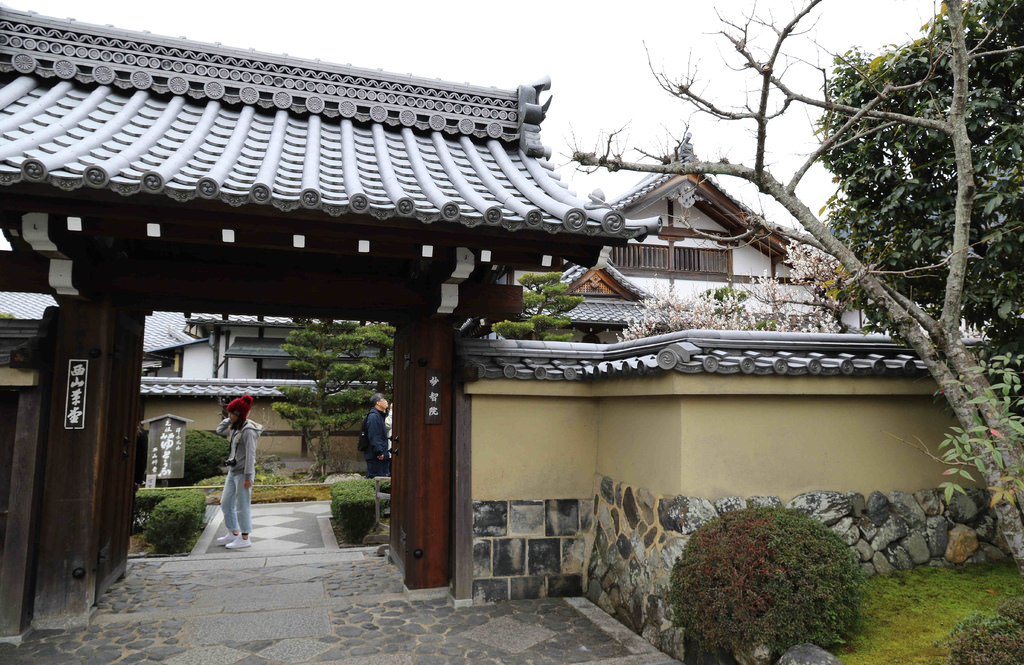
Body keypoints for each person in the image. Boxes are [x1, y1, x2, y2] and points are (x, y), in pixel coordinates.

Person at [215, 395, 260, 549]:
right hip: (232, 471)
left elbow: (250, 455)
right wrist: (230, 418)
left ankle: (245, 536)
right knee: (226, 503)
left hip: (243, 473)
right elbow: (219, 430)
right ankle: (233, 532)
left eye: (231, 413)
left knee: (242, 505)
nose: (229, 415)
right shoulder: (235, 427)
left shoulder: (248, 430)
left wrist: (248, 477)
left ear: (239, 414)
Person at [363, 393, 389, 478]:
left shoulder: (379, 415)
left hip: (379, 455)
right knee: (375, 480)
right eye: (384, 400)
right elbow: (373, 436)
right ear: (378, 402)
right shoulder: (373, 416)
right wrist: (379, 452)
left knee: (381, 480)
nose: (386, 402)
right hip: (376, 456)